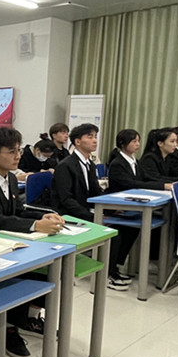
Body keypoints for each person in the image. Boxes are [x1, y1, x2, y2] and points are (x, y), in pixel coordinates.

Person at [0, 127, 64, 357]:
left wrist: (42, 216)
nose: (18, 156)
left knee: (48, 271)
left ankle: (23, 318)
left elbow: (17, 211)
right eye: (11, 152)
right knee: (21, 277)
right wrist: (35, 226)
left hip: (11, 244)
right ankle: (9, 328)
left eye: (19, 150)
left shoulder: (10, 177)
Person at [51, 123, 139, 290]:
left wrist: (111, 208)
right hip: (68, 214)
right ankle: (106, 275)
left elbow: (95, 192)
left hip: (85, 209)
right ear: (77, 141)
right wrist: (93, 217)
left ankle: (114, 267)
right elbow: (66, 200)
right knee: (112, 233)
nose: (95, 141)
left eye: (95, 137)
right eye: (90, 137)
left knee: (129, 226)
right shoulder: (65, 165)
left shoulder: (90, 164)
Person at [107, 129, 173, 193]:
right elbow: (132, 184)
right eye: (134, 141)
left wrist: (171, 182)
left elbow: (148, 177)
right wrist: (163, 186)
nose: (138, 144)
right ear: (122, 144)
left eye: (138, 141)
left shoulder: (136, 162)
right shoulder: (117, 164)